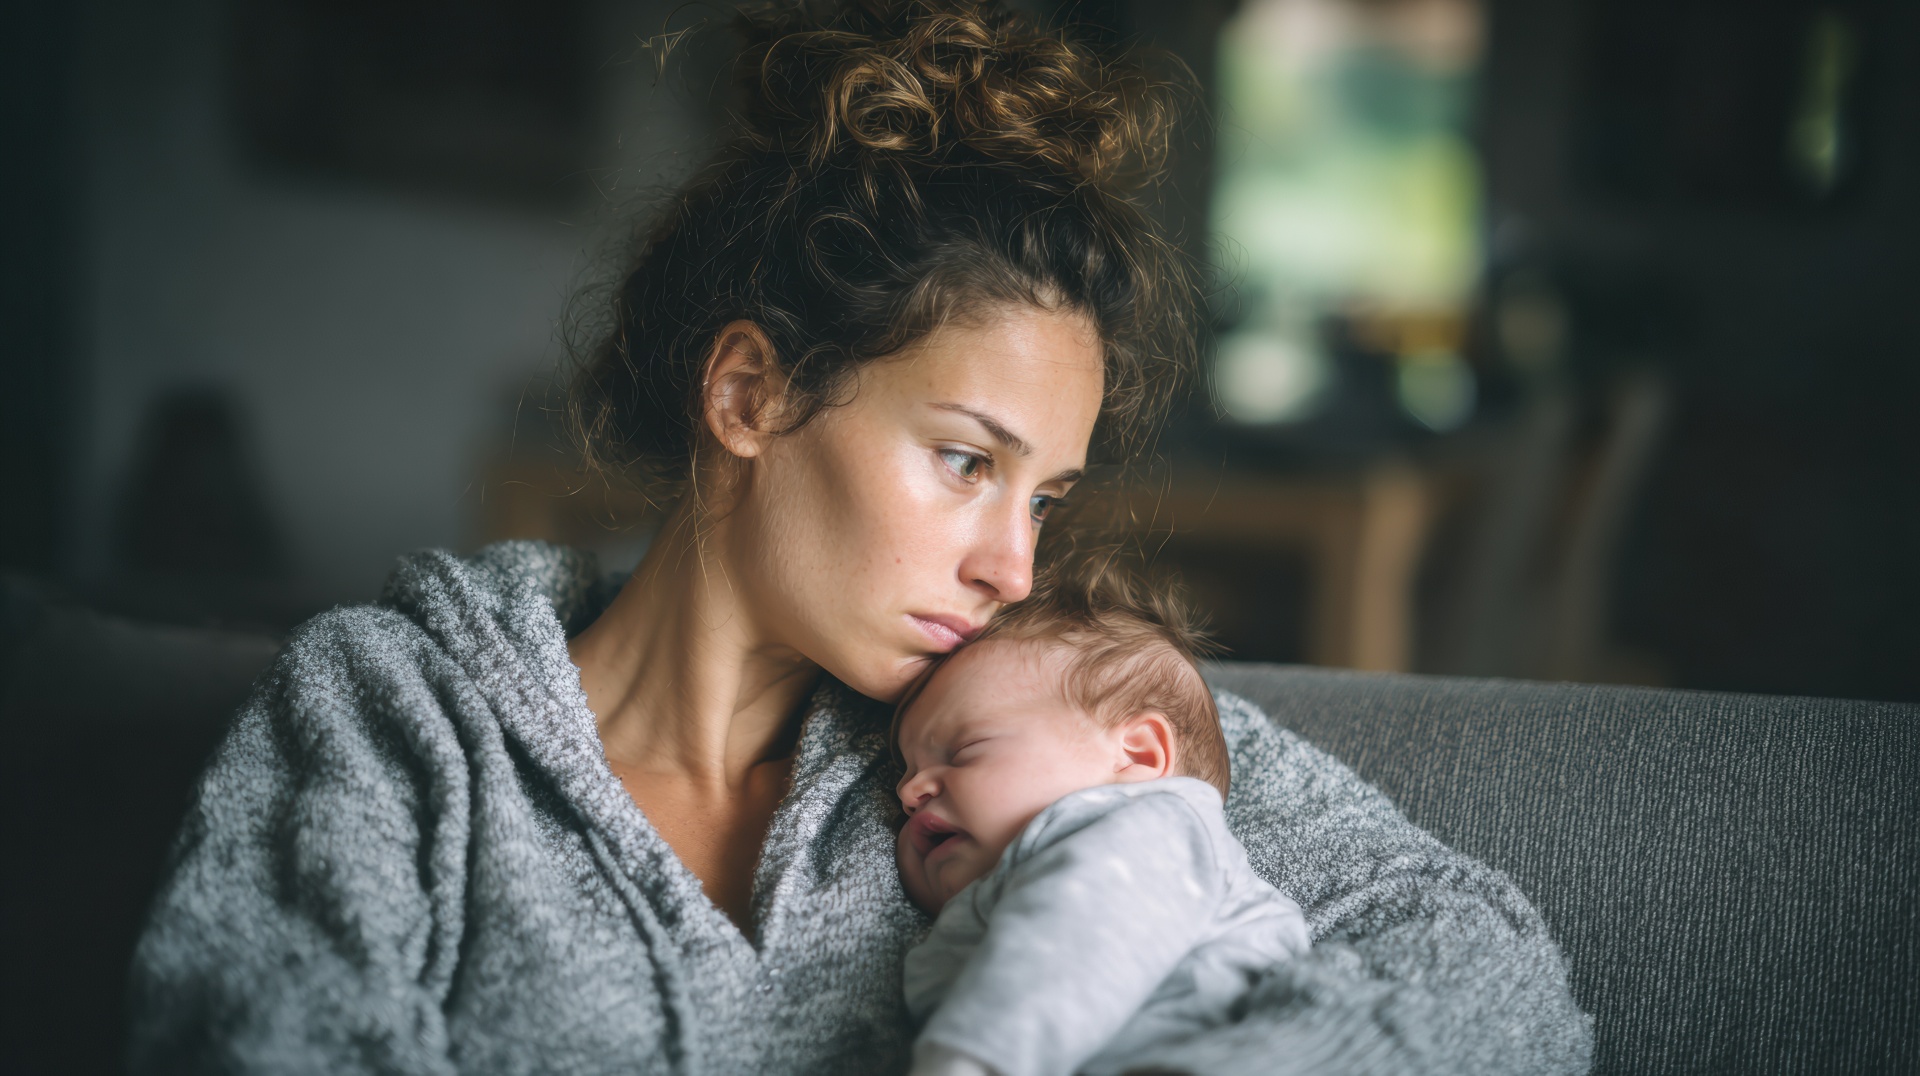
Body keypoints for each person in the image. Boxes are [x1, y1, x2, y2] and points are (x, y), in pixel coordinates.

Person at [126, 2, 1592, 1073]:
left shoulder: (1041, 720)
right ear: (751, 393)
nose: (1012, 567)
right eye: (966, 461)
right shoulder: (399, 718)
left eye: (1042, 498)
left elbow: (1490, 970)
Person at [892, 564, 1313, 1076]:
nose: (909, 790)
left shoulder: (1155, 832)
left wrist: (968, 1062)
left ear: (1137, 756)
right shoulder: (1008, 882)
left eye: (963, 752)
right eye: (909, 768)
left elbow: (1074, 945)